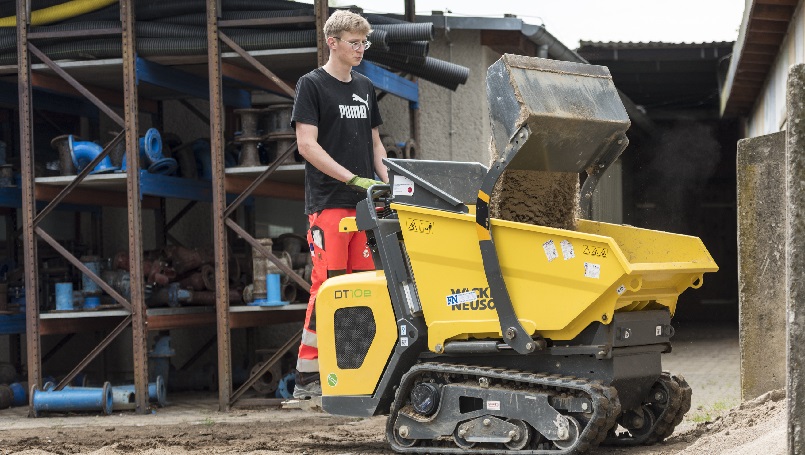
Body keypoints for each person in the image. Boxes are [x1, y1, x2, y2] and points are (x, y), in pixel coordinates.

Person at [290, 10, 388, 399]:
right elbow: (306, 145)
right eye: (354, 42)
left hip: (365, 205)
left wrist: (386, 183)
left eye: (364, 42)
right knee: (329, 286)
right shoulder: (311, 85)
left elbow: (376, 144)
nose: (361, 49)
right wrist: (350, 177)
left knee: (364, 288)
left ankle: (354, 375)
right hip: (330, 203)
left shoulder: (365, 86)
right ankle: (307, 377)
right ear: (333, 43)